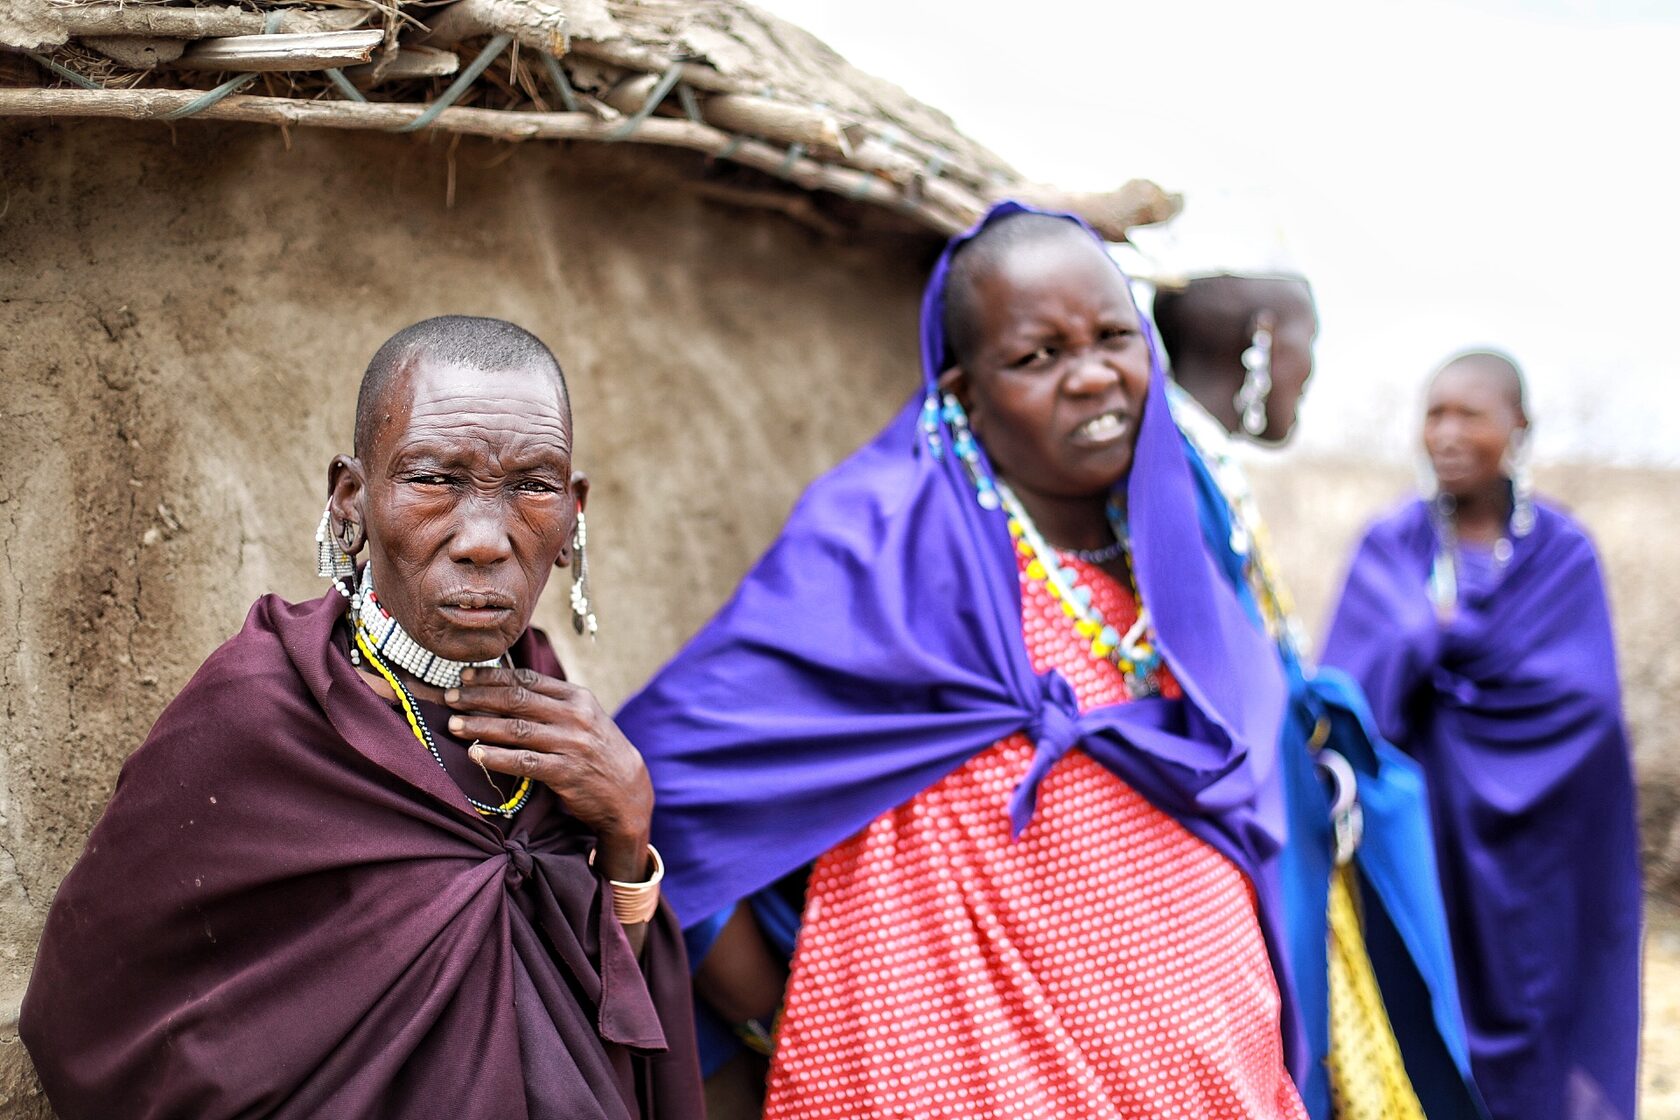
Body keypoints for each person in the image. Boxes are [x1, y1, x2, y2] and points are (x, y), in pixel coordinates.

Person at [618, 202, 1308, 1118]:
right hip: (943, 1074)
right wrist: (770, 1006)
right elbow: (670, 784)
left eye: (1113, 337)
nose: (1093, 377)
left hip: (1205, 1069)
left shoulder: (1180, 548)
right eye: (1038, 356)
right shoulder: (883, 542)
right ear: (963, 388)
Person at [21, 316, 703, 1119]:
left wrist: (626, 827)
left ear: (573, 515)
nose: (485, 539)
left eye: (533, 486)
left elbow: (606, 1023)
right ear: (352, 498)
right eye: (434, 478)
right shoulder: (263, 712)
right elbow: (91, 1018)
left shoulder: (553, 709)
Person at [1154, 277, 1485, 1120]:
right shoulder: (1171, 469)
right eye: (1310, 344)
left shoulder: (1197, 457)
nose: (1309, 373)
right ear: (1264, 340)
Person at [1322, 351, 1642, 1120]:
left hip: (1541, 858)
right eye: (1434, 413)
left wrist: (1446, 635)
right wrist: (1421, 643)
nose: (1446, 433)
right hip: (1420, 843)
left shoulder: (1561, 553)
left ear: (1518, 428)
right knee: (1425, 1008)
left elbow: (1588, 705)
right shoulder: (1391, 545)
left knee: (1547, 1012)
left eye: (1471, 414)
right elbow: (1343, 698)